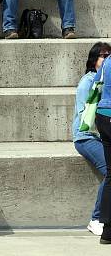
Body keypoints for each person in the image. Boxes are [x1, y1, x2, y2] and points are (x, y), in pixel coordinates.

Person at [74, 42, 111, 236]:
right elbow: (84, 116)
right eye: (102, 56)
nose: (106, 59)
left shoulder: (106, 80)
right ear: (94, 59)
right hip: (86, 137)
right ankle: (97, 218)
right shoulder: (88, 82)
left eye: (108, 55)